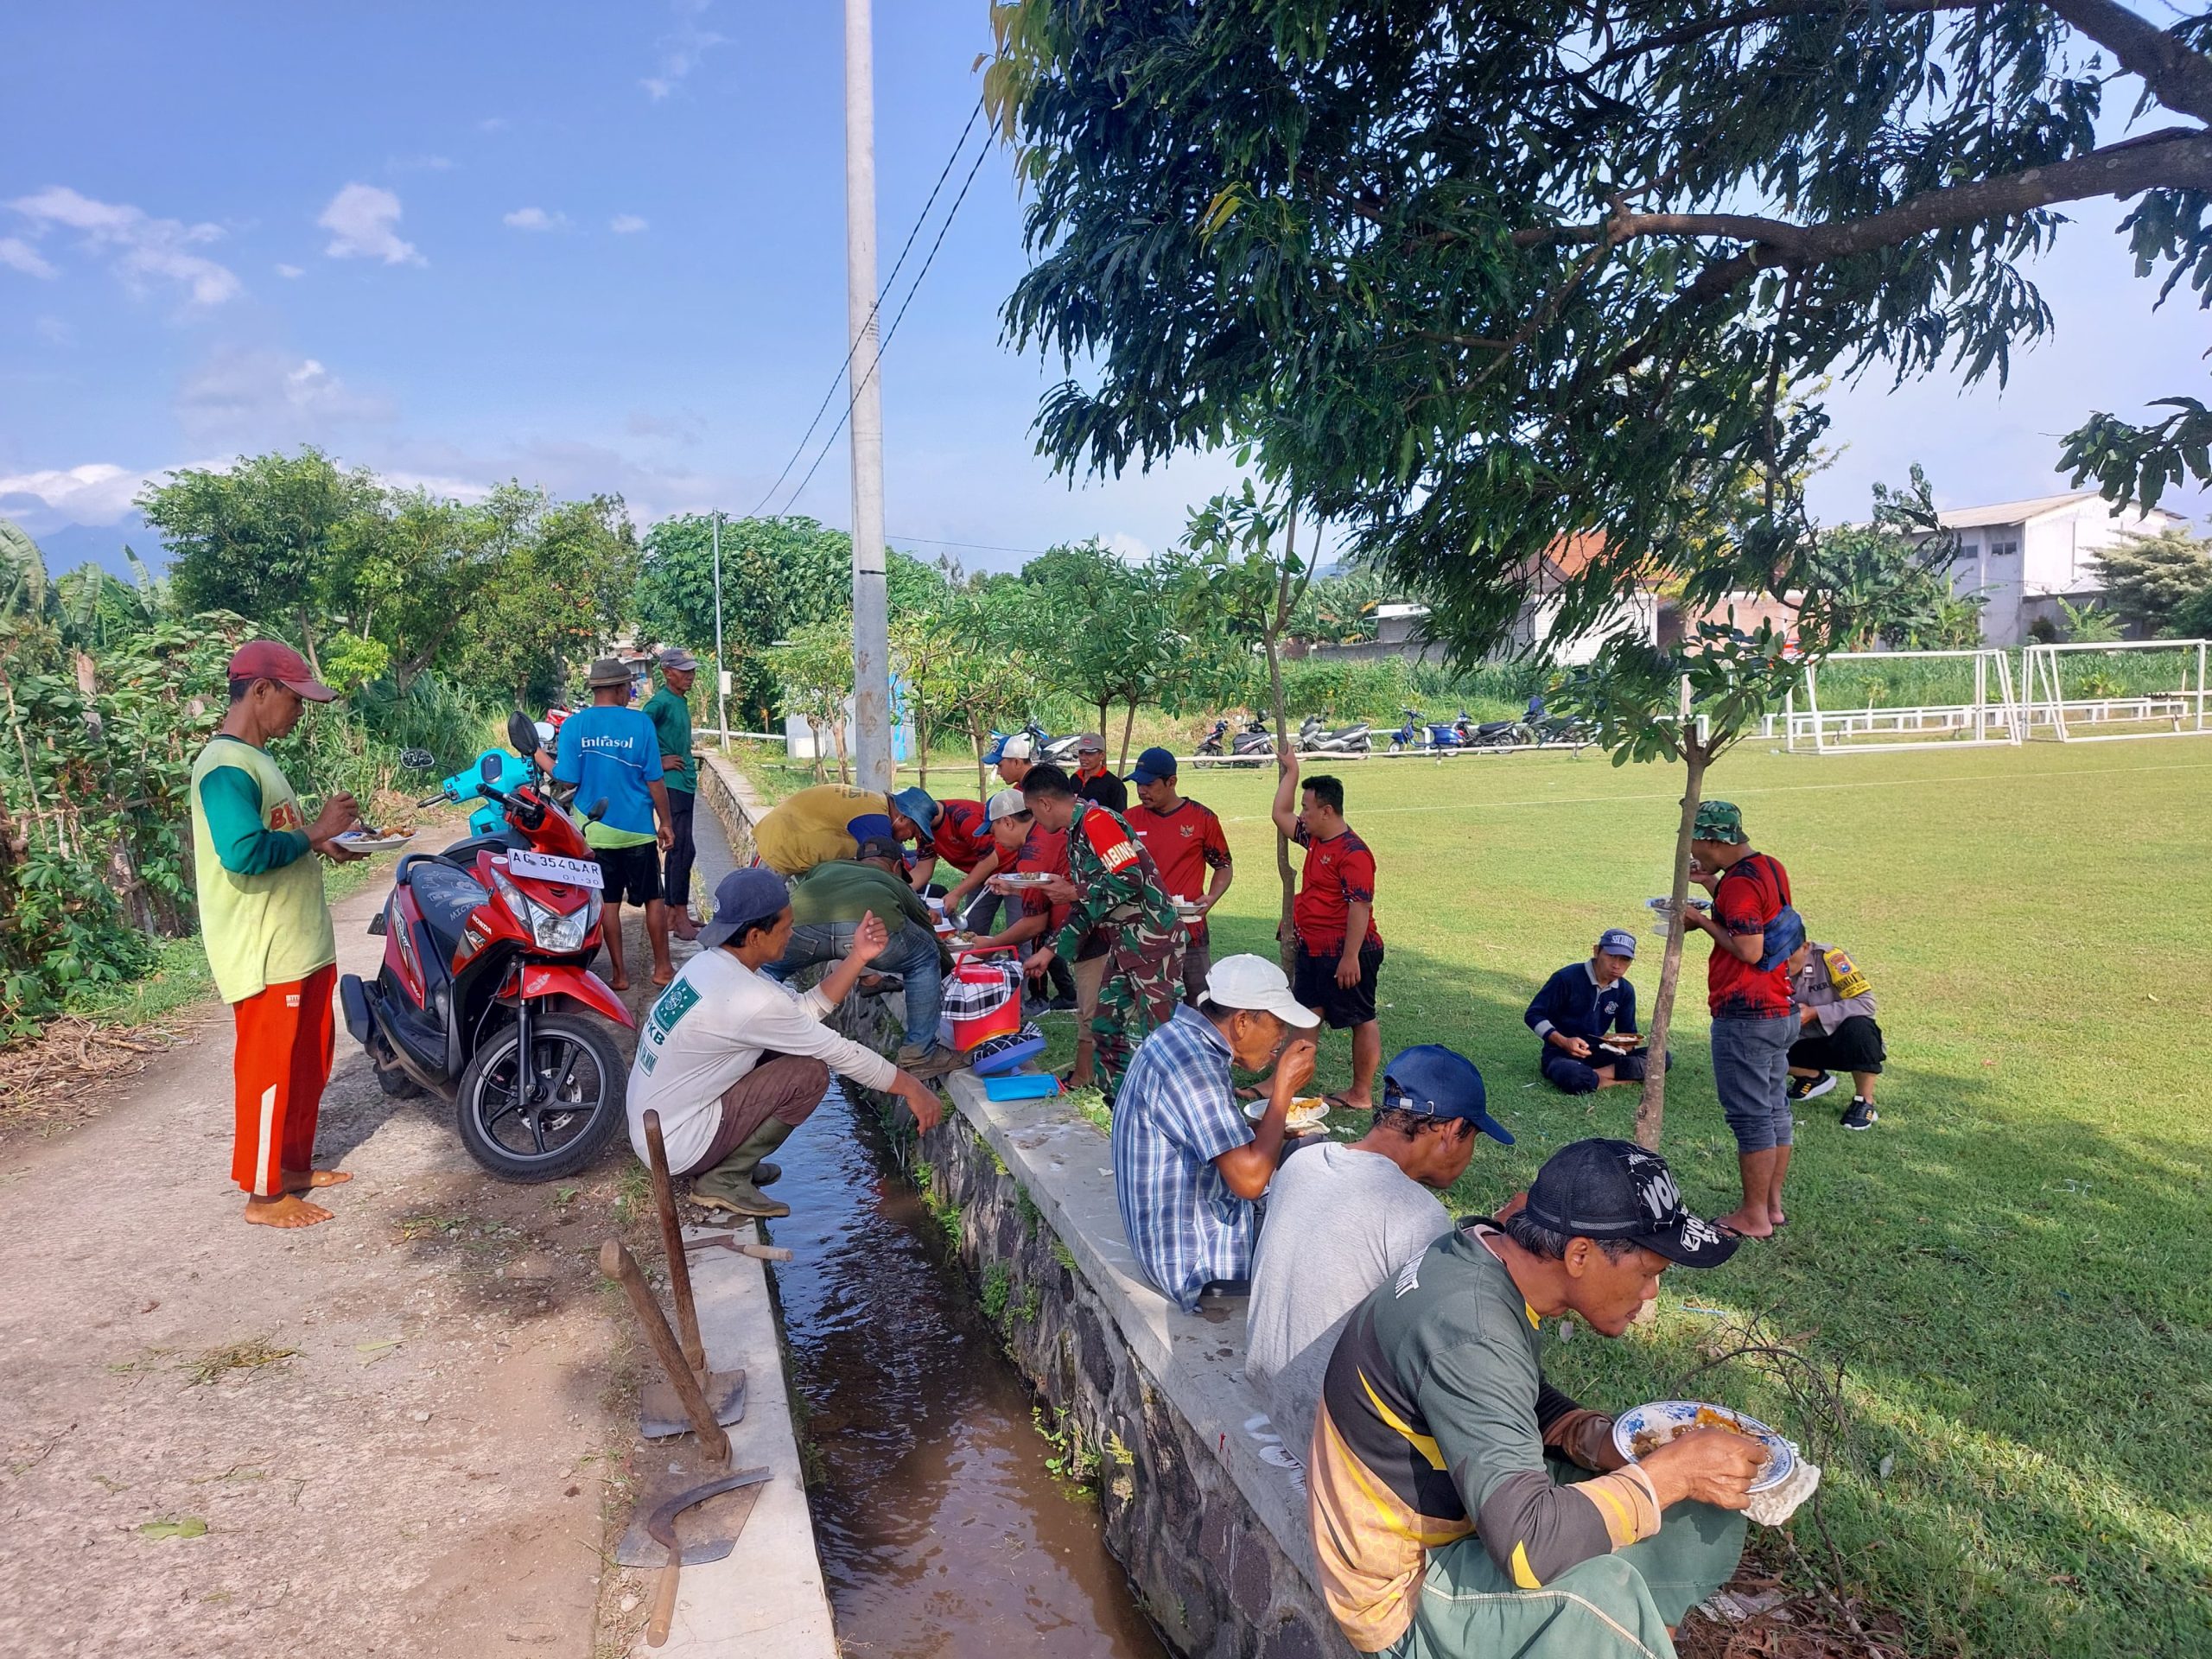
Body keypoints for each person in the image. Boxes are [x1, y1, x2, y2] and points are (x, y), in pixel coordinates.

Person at [1307, 1139, 1755, 1659]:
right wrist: (1668, 1474)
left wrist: (1598, 1442)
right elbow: (1527, 1549)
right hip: (1397, 1588)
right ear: (1580, 1254)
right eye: (1649, 1271)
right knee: (1605, 1597)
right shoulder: (1474, 1330)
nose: (1653, 1292)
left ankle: (1649, 1635)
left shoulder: (1486, 1254)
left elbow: (1510, 1397)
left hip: (1458, 1507)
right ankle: (1628, 1637)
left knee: (1698, 1511)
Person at [629, 868, 946, 1219]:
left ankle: (734, 1162)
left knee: (787, 1047)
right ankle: (726, 1176)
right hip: (675, 1145)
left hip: (657, 1131)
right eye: (785, 928)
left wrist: (857, 957)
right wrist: (913, 1088)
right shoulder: (749, 998)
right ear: (754, 936)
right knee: (809, 1073)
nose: (792, 934)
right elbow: (838, 1051)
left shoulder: (710, 964)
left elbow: (801, 1013)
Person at [1246, 1046, 1512, 1459]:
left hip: (1272, 1395)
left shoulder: (1304, 1160)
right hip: (1332, 1442)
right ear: (1451, 1130)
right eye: (1472, 1138)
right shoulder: (1417, 1215)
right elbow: (1450, 1350)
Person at [188, 640, 365, 1229]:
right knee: (268, 1071)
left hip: (300, 947)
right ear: (261, 690)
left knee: (305, 1064)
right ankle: (264, 1196)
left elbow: (280, 838)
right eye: (295, 700)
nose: (299, 712)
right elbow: (242, 852)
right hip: (265, 953)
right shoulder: (224, 767)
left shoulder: (257, 758)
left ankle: (289, 1167)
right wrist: (315, 831)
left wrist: (325, 841)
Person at [1111, 956, 1319, 1310]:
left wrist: (1259, 1128)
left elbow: (1199, 1131)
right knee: (1333, 1228)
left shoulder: (1179, 1037)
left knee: (1312, 1155)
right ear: (1241, 1022)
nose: (1283, 1037)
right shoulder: (1195, 1065)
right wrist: (1281, 1089)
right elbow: (1249, 1182)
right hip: (1195, 1259)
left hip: (1168, 1234)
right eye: (1278, 1025)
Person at [1020, 763, 1185, 1096]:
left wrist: (1072, 892)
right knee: (1107, 1027)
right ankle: (1117, 1102)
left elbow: (1130, 878)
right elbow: (1091, 905)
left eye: (1033, 812)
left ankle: (1178, 1102)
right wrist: (1049, 951)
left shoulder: (1098, 822)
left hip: (1151, 941)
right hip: (1124, 946)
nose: (1035, 821)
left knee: (1163, 1033)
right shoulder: (1077, 831)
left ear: (1045, 804)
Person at [1678, 800, 1802, 1238]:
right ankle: (1771, 1206)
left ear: (1712, 840)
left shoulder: (1738, 887)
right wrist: (1713, 886)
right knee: (1774, 1110)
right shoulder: (1767, 867)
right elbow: (1759, 921)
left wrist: (1699, 920)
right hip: (1781, 1010)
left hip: (1746, 1015)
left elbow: (1749, 949)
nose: (1687, 845)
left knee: (1751, 1117)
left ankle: (1753, 1216)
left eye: (1692, 837)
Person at [764, 837, 961, 1079]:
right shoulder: (894, 881)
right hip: (871, 929)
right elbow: (926, 932)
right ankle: (919, 1054)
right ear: (897, 866)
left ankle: (754, 1032)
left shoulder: (827, 867)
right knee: (924, 956)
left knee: (766, 973)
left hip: (802, 927)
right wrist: (951, 970)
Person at [554, 657, 676, 990]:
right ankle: (662, 968)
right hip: (636, 828)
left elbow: (566, 780)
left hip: (594, 830)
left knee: (608, 902)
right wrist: (665, 822)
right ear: (622, 689)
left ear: (596, 690)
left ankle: (620, 975)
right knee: (653, 897)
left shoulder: (574, 726)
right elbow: (655, 780)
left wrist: (537, 754)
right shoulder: (640, 726)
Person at [1271, 752, 1384, 1109]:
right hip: (1314, 948)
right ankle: (1280, 1083)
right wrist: (1292, 772)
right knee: (1306, 1014)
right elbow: (1280, 815)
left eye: (1307, 807)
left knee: (1361, 1019)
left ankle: (1361, 1094)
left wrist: (1350, 957)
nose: (1302, 814)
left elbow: (1359, 907)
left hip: (1348, 951)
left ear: (1327, 811)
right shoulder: (1317, 839)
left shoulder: (1353, 853)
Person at [1126, 746, 1234, 1003]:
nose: (1142, 790)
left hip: (1190, 932)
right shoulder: (1128, 820)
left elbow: (1223, 866)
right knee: (1152, 1006)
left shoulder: (1202, 818)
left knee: (1199, 1004)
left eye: (1149, 784)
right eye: (1138, 784)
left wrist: (1212, 897)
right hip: (1144, 930)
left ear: (1171, 781)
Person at [1525, 929, 1658, 1095]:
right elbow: (1533, 1015)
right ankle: (1616, 1078)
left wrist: (1626, 1044)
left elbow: (1627, 1033)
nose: (1617, 965)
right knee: (1573, 1075)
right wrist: (1563, 1041)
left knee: (1660, 1058)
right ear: (1596, 951)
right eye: (1611, 956)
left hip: (1602, 1053)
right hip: (1561, 1054)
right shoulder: (1566, 978)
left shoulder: (1625, 990)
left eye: (1625, 960)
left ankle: (1595, 1078)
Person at [1786, 939, 1885, 1131]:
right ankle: (1813, 1077)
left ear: (1805, 947)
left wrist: (1815, 1012)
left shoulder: (1831, 958)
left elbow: (1866, 1003)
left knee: (1861, 1028)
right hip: (1799, 1038)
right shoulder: (1764, 962)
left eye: (1787, 954)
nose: (1781, 962)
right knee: (1748, 1040)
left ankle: (1864, 1101)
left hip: (1840, 1037)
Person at [752, 780, 939, 878]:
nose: (911, 838)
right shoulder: (876, 819)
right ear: (903, 817)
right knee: (757, 917)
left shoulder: (875, 806)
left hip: (796, 850)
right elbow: (884, 874)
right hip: (779, 846)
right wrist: (919, 908)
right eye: (914, 831)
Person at [642, 647, 701, 940]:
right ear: (667, 672)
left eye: (692, 671)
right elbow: (640, 729)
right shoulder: (661, 702)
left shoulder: (679, 701)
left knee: (686, 849)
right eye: (684, 671)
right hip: (672, 784)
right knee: (680, 848)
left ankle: (674, 912)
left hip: (685, 781)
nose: (690, 676)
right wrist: (657, 761)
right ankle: (677, 914)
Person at [906, 794, 992, 897]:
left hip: (1009, 869)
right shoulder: (923, 829)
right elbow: (923, 871)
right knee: (973, 913)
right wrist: (898, 892)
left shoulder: (964, 817)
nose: (911, 837)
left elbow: (990, 859)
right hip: (981, 876)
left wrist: (956, 894)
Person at [1072, 733, 1128, 812]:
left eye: (1089, 753)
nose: (1083, 758)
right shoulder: (1074, 779)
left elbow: (1120, 819)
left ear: (1102, 755)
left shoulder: (1115, 785)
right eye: (1081, 753)